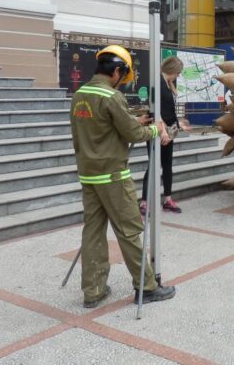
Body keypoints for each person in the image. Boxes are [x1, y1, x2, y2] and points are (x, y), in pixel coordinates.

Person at [70, 45, 175, 308]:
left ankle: (93, 291)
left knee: (92, 233)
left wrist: (133, 120)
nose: (121, 82)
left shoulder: (80, 94)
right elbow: (133, 134)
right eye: (122, 76)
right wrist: (154, 130)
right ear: (116, 71)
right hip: (113, 176)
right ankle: (147, 287)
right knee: (129, 231)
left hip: (89, 175)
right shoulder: (111, 96)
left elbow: (103, 126)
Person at [139, 56, 191, 215]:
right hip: (158, 130)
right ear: (173, 69)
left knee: (167, 165)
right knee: (153, 165)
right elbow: (155, 110)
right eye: (178, 72)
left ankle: (168, 199)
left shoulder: (168, 84)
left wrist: (178, 124)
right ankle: (144, 202)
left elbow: (168, 110)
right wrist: (162, 131)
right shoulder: (157, 83)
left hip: (168, 130)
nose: (178, 75)